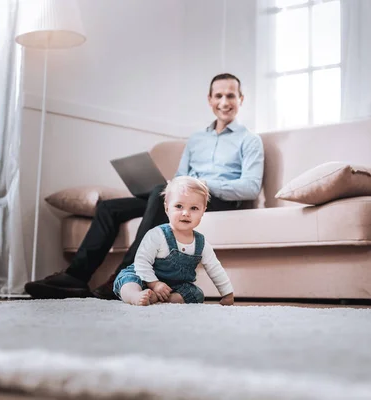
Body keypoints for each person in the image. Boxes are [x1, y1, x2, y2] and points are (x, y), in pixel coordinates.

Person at [25, 73, 263, 300]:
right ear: (209, 100)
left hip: (214, 201)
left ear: (240, 99)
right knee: (110, 208)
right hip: (182, 197)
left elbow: (250, 188)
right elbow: (180, 176)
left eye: (230, 96)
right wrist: (173, 187)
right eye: (218, 96)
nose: (224, 102)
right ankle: (75, 276)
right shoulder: (196, 139)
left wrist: (202, 185)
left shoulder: (249, 140)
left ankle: (127, 275)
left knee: (163, 193)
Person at [115, 176, 233, 306]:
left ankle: (164, 299)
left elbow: (215, 269)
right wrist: (154, 284)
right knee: (128, 280)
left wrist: (227, 294)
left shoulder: (201, 243)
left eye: (194, 208)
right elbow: (141, 262)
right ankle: (135, 296)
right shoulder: (157, 235)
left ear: (203, 211)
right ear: (167, 208)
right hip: (143, 278)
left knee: (196, 294)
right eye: (179, 206)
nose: (186, 213)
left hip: (173, 287)